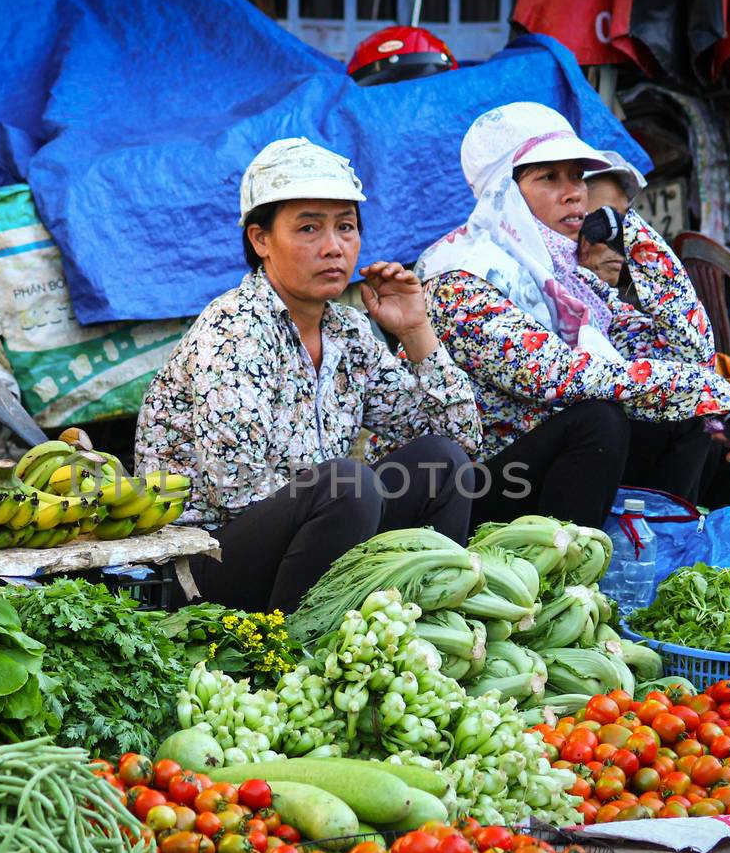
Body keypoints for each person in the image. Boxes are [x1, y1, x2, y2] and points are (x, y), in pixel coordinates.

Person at [135, 137, 482, 613]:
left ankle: (423, 627)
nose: (333, 247)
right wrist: (355, 508)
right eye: (309, 229)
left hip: (320, 532)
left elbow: (459, 438)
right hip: (206, 562)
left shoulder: (350, 329)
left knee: (442, 465)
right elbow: (233, 489)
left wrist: (416, 331)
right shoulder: (234, 329)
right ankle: (291, 655)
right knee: (348, 484)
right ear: (261, 240)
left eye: (346, 227)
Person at [418, 102, 730, 529]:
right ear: (502, 192)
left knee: (687, 422)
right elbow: (555, 377)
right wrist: (704, 390)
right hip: (481, 488)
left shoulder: (569, 281)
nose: (574, 192)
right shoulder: (460, 278)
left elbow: (689, 352)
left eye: (577, 175)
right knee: (599, 419)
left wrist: (632, 235)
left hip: (553, 470)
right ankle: (566, 579)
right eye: (548, 177)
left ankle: (657, 560)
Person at [578, 154, 730, 504]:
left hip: (637, 438)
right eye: (603, 223)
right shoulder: (556, 292)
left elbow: (692, 353)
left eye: (625, 225)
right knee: (695, 422)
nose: (619, 243)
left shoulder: (613, 305)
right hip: (597, 447)